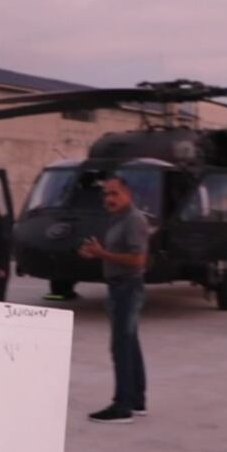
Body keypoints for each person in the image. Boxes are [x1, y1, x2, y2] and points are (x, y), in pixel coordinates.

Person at [78, 176, 149, 424]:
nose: (109, 198)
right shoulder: (118, 219)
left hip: (128, 288)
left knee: (121, 346)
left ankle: (123, 405)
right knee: (130, 344)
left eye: (114, 193)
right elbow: (119, 255)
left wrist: (102, 253)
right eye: (106, 194)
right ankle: (137, 400)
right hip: (119, 288)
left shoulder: (133, 220)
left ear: (128, 193)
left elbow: (138, 260)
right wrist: (97, 255)